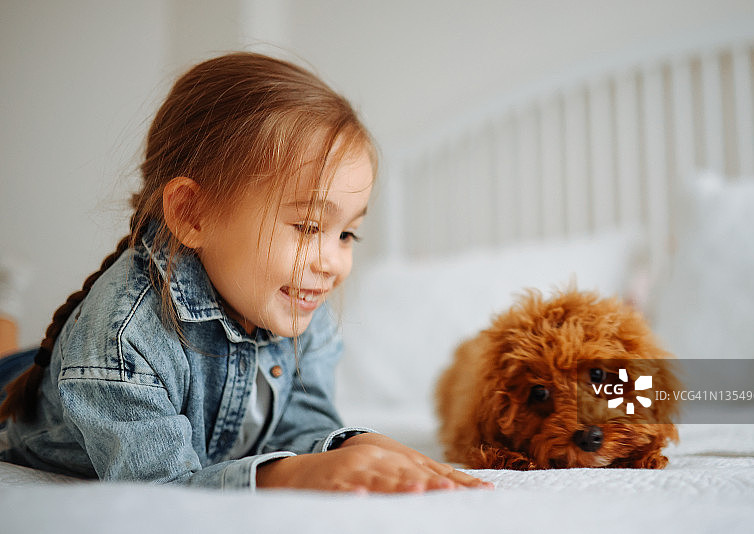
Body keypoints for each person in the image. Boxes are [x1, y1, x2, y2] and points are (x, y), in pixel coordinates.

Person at [0, 52, 491, 493]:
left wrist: (354, 445)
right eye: (308, 226)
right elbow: (159, 487)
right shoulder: (122, 340)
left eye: (347, 235)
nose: (333, 263)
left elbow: (298, 421)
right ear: (193, 214)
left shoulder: (299, 300)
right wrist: (290, 475)